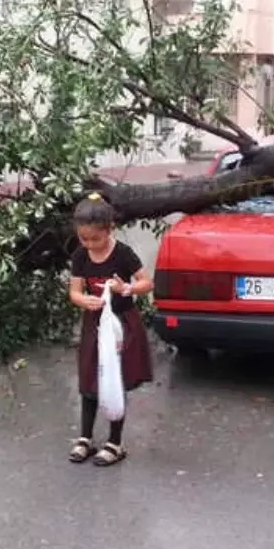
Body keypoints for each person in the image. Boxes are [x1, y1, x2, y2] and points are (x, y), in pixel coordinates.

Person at [67, 195, 154, 466]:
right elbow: (75, 292)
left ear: (109, 229)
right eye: (84, 239)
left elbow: (146, 283)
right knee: (89, 380)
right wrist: (85, 300)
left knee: (116, 380)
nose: (90, 244)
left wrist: (126, 288)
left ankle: (115, 443)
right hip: (94, 325)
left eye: (95, 239)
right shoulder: (80, 255)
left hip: (121, 325)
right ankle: (85, 438)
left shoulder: (123, 254)